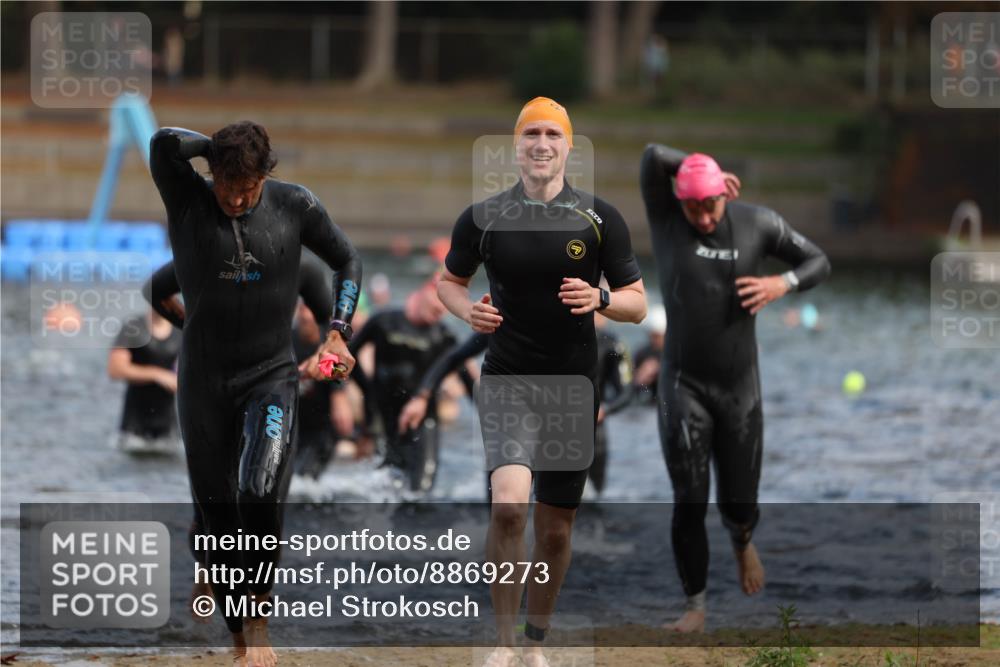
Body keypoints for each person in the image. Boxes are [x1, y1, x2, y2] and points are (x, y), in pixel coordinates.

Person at [438, 97, 646, 667]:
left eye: (553, 134)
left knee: (555, 530)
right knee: (508, 508)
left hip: (573, 385)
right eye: (531, 134)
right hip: (507, 377)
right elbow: (448, 282)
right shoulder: (482, 218)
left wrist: (601, 296)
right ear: (517, 145)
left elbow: (639, 304)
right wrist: (467, 312)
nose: (542, 144)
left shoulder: (600, 219)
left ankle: (535, 642)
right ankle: (502, 645)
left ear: (568, 147)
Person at [150, 120, 361, 667]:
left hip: (271, 376)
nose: (239, 199)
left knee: (260, 491)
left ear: (268, 175)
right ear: (212, 174)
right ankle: (239, 641)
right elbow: (163, 143)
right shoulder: (189, 203)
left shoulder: (295, 205)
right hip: (202, 383)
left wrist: (338, 329)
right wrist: (218, 152)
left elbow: (348, 261)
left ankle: (258, 622)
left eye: (250, 187)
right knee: (218, 519)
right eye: (228, 185)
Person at [640, 144, 831, 633]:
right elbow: (650, 156)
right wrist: (702, 170)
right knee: (689, 496)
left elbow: (818, 262)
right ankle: (696, 607)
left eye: (711, 205)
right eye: (694, 206)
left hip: (740, 389)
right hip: (682, 383)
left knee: (740, 503)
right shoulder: (666, 219)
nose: (703, 217)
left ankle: (743, 540)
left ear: (725, 199)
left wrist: (780, 284)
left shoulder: (757, 223)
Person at [348, 277, 467, 492]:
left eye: (441, 311)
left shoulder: (443, 335)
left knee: (422, 486)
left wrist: (484, 405)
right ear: (417, 297)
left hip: (423, 413)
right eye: (434, 307)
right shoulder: (383, 322)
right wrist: (366, 389)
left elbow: (465, 374)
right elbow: (349, 356)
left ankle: (419, 518)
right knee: (388, 477)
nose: (438, 312)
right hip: (384, 409)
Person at [106, 310, 181, 455]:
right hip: (134, 428)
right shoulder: (134, 327)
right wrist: (157, 374)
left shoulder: (181, 329)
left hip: (168, 428)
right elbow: (115, 369)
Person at [631, 303, 666, 404]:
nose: (653, 340)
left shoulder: (675, 354)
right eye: (651, 336)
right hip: (648, 404)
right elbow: (631, 387)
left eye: (657, 336)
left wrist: (659, 368)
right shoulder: (642, 353)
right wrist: (638, 377)